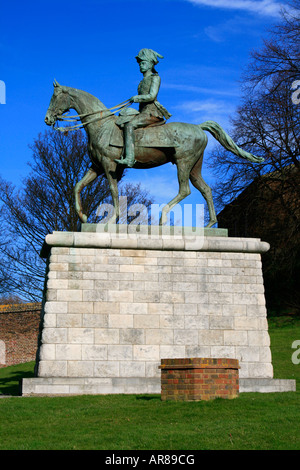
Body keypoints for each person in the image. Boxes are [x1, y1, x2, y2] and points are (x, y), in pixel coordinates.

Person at [115, 48, 171, 167]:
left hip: (152, 112)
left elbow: (152, 96)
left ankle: (129, 158)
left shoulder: (155, 78)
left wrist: (137, 98)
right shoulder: (141, 82)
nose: (141, 65)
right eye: (140, 63)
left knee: (130, 125)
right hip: (142, 112)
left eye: (143, 62)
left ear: (151, 64)